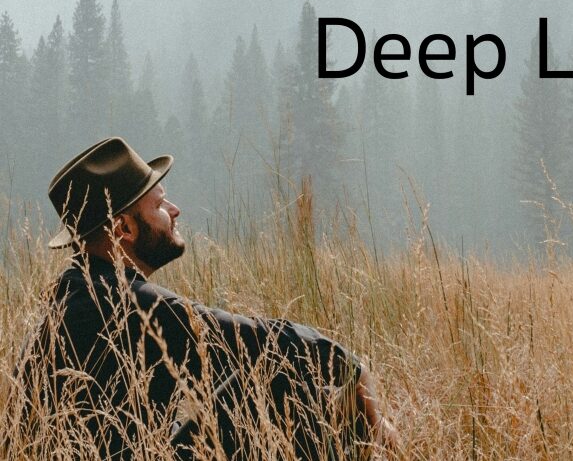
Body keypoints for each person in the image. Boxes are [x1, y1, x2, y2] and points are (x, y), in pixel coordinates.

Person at [16, 137, 398, 459]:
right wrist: (354, 371)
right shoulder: (129, 303)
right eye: (159, 204)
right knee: (293, 385)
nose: (174, 210)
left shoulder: (77, 288)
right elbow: (258, 341)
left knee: (271, 381)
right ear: (124, 229)